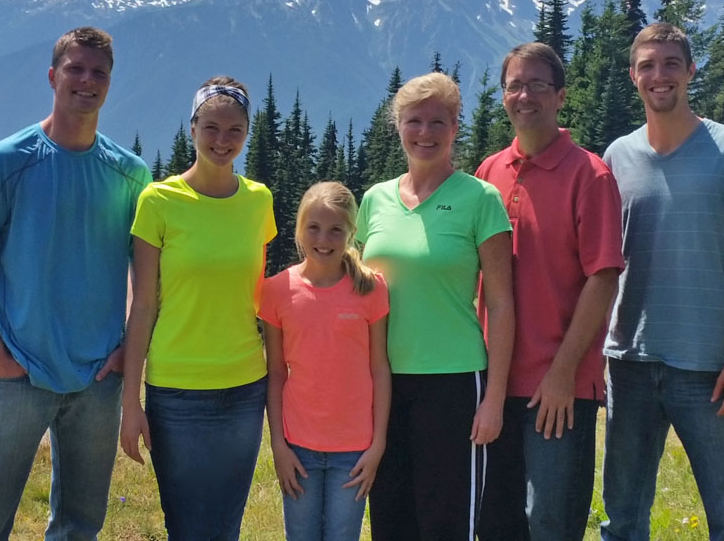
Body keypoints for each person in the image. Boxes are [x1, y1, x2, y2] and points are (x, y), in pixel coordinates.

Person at [0, 26, 151, 540]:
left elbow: (144, 270)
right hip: (18, 373)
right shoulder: (8, 161)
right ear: (52, 76)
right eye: (74, 69)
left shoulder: (130, 175)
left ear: (110, 83)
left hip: (99, 378)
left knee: (80, 526)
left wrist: (126, 349)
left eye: (98, 72)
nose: (87, 80)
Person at [600, 22, 724, 541]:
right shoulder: (615, 158)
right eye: (648, 66)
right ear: (633, 76)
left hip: (709, 367)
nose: (660, 75)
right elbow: (603, 266)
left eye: (671, 64)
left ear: (692, 70)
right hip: (629, 362)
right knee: (622, 521)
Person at [356, 71, 516, 540]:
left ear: (454, 127)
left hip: (454, 382)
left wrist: (494, 398)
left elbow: (501, 304)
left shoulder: (480, 199)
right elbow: (355, 290)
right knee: (390, 518)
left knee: (446, 522)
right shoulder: (375, 200)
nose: (424, 133)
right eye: (414, 121)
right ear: (398, 125)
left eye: (438, 122)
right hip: (383, 381)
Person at [476, 42, 624, 541]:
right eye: (514, 86)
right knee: (497, 522)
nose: (525, 96)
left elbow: (603, 277)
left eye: (537, 85)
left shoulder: (589, 174)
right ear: (503, 96)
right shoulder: (489, 173)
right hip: (494, 382)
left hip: (559, 387)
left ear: (560, 96)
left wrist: (562, 374)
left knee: (549, 521)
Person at [119, 77, 276, 540]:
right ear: (192, 129)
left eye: (234, 130)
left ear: (247, 133)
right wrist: (130, 403)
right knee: (186, 527)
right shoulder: (158, 201)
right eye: (211, 128)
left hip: (245, 387)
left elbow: (258, 294)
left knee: (226, 526)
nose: (222, 141)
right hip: (176, 392)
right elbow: (143, 306)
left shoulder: (259, 200)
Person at [260, 181, 391, 541]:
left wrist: (377, 444)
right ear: (299, 229)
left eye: (336, 230)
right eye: (314, 228)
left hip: (355, 449)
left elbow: (379, 368)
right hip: (298, 447)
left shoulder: (371, 288)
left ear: (352, 232)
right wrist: (278, 446)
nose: (323, 239)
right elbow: (276, 373)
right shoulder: (277, 290)